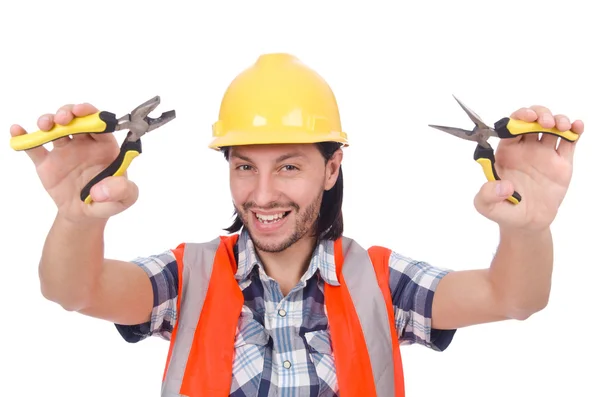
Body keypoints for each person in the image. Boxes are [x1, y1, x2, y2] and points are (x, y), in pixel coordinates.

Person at [10, 53, 584, 397]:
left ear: (332, 166)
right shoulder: (187, 276)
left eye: (288, 166)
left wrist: (528, 229)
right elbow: (73, 291)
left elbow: (512, 298)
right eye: (243, 167)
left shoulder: (380, 281)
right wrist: (74, 219)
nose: (261, 195)